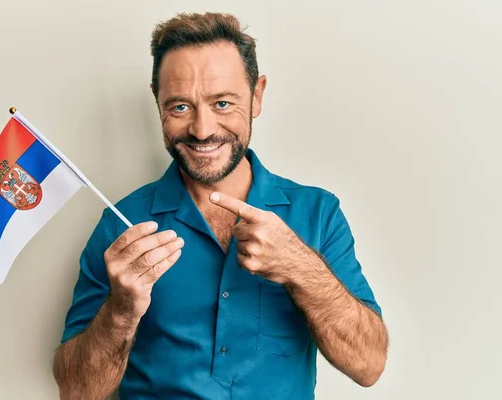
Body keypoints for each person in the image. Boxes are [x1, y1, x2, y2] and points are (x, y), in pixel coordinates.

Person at [52, 12, 388, 400]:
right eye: (180, 107)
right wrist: (122, 311)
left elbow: (368, 366)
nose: (202, 129)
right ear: (156, 101)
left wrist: (299, 266)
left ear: (257, 96)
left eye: (223, 103)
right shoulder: (121, 226)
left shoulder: (318, 213)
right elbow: (76, 392)